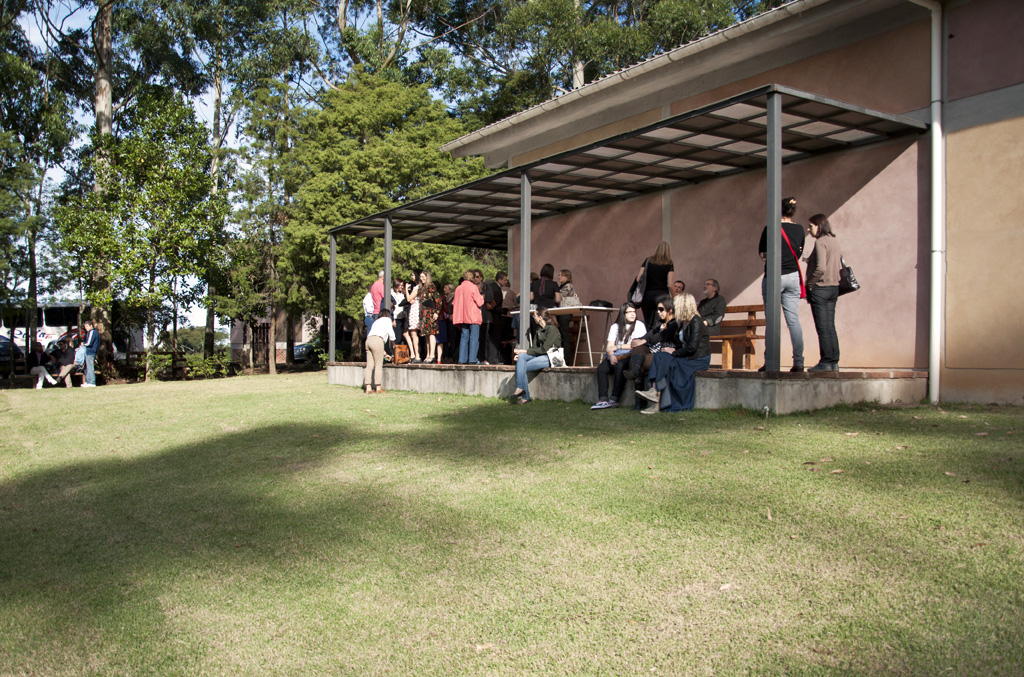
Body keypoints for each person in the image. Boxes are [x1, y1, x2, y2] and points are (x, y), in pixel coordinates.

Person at [636, 292, 711, 413]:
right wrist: (672, 349)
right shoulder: (682, 322)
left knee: (666, 363)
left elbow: (692, 348)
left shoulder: (696, 322)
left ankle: (657, 400)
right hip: (686, 355)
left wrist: (674, 352)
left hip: (697, 359)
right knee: (659, 357)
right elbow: (673, 339)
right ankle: (654, 393)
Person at [758, 196, 805, 372]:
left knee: (772, 321)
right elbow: (798, 253)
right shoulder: (800, 229)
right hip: (793, 276)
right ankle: (798, 362)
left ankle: (770, 362)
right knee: (793, 321)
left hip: (774, 277)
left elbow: (763, 254)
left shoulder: (770, 228)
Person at [805, 213, 843, 371]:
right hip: (834, 288)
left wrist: (809, 284)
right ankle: (834, 361)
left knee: (822, 327)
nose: (809, 229)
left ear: (818, 226)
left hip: (821, 288)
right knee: (830, 326)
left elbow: (821, 268)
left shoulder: (820, 242)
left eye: (811, 226)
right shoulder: (834, 241)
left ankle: (826, 361)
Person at [591, 302, 646, 409]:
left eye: (634, 311)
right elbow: (609, 346)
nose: (632, 314)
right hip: (616, 355)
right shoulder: (615, 327)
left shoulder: (639, 325)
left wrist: (618, 346)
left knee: (619, 366)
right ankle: (603, 399)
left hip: (630, 355)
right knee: (601, 368)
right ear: (623, 314)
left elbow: (637, 345)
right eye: (629, 312)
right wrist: (611, 355)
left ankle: (615, 399)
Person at [509, 308, 561, 404]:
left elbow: (544, 349)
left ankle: (524, 394)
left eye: (534, 315)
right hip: (540, 355)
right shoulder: (539, 329)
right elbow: (534, 348)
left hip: (551, 357)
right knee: (521, 357)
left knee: (521, 366)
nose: (533, 317)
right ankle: (521, 390)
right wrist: (521, 355)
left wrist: (525, 351)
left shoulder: (552, 329)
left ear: (540, 317)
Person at [635, 241, 675, 328]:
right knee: (659, 323)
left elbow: (638, 279)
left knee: (648, 324)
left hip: (647, 295)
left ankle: (648, 337)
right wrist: (675, 297)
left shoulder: (648, 260)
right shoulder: (669, 263)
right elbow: (670, 284)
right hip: (662, 296)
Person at [452, 270, 483, 364]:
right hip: (473, 316)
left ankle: (462, 359)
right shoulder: (473, 287)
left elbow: (454, 302)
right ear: (472, 278)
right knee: (474, 338)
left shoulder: (458, 288)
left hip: (462, 316)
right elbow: (480, 302)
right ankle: (472, 359)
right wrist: (482, 297)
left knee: (464, 337)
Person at [364, 308, 395, 394]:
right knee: (378, 364)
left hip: (368, 340)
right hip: (378, 340)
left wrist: (384, 353)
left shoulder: (376, 321)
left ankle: (368, 387)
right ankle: (378, 387)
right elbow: (391, 334)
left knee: (369, 365)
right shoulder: (387, 320)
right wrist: (394, 344)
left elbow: (375, 340)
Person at [480, 272, 505, 365]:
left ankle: (490, 358)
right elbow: (494, 303)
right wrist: (504, 310)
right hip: (494, 316)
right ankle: (492, 358)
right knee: (493, 338)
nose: (506, 282)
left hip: (491, 316)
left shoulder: (492, 287)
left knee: (489, 338)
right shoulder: (494, 288)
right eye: (504, 280)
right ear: (499, 280)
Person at [417, 270, 442, 364]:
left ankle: (432, 355)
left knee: (431, 334)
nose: (422, 279)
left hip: (430, 313)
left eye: (423, 277)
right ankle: (428, 355)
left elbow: (438, 300)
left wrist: (436, 312)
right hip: (424, 313)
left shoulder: (431, 287)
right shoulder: (423, 288)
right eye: (421, 277)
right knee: (426, 335)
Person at [404, 274, 422, 363]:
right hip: (417, 309)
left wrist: (406, 290)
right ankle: (416, 354)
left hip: (415, 310)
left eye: (413, 275)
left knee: (413, 333)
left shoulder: (417, 288)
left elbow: (409, 299)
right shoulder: (420, 287)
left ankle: (417, 355)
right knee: (414, 334)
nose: (412, 277)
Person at [82, 320, 100, 387]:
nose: (86, 328)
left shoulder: (92, 332)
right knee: (87, 367)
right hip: (90, 352)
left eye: (87, 326)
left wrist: (83, 344)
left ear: (91, 325)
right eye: (85, 327)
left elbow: (89, 343)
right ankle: (87, 381)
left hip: (91, 352)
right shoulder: (91, 332)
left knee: (90, 367)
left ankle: (91, 382)